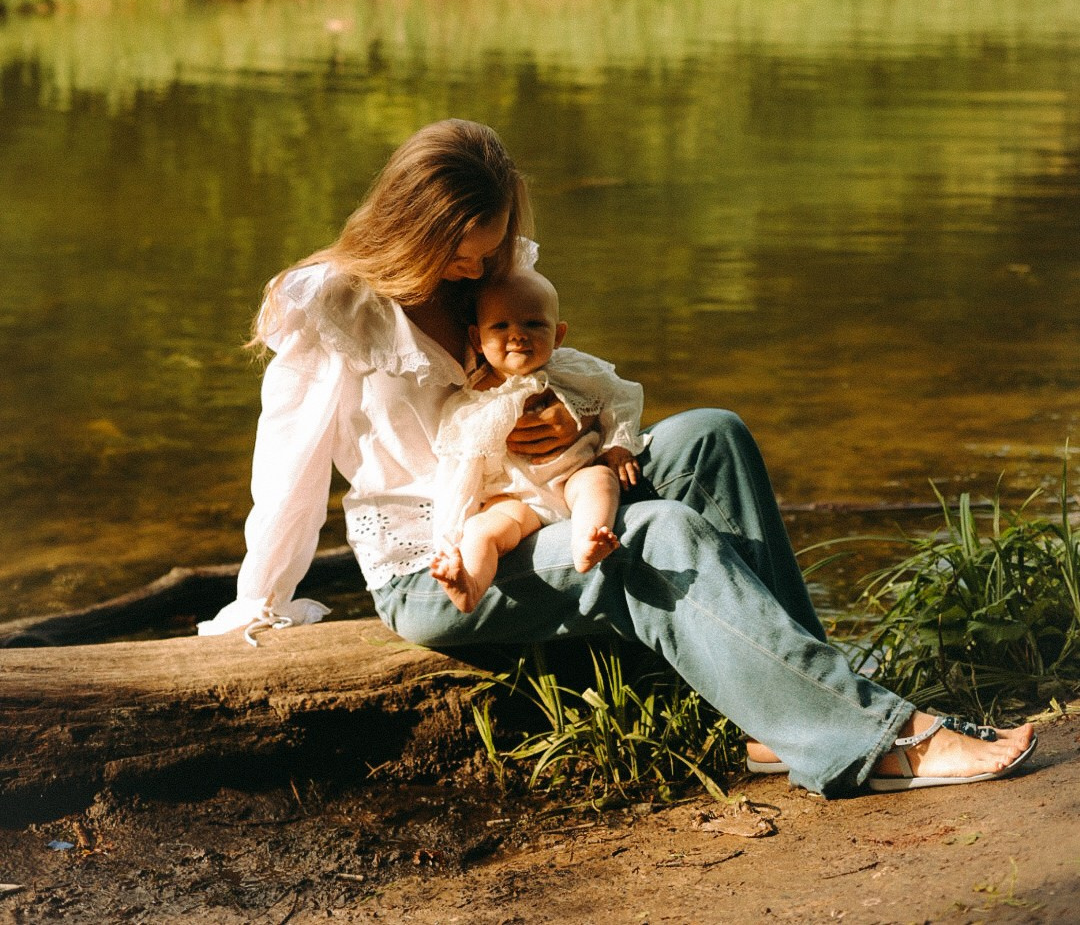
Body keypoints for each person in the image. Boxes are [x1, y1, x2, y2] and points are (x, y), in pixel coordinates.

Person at [198, 119, 1036, 797]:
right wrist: (257, 603)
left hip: (543, 498)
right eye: (461, 250)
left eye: (489, 248)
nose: (478, 267)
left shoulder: (484, 276)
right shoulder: (332, 310)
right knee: (657, 530)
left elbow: (555, 369)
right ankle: (877, 738)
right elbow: (288, 476)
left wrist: (563, 423)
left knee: (710, 434)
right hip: (444, 564)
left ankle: (786, 718)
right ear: (411, 225)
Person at [429, 267, 647, 611]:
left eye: (533, 324)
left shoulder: (574, 370)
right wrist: (448, 534)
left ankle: (587, 541)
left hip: (572, 477)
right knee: (483, 530)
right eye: (500, 326)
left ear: (558, 335)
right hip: (514, 498)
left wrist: (617, 444)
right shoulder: (472, 403)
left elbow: (621, 395)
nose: (517, 336)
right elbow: (458, 471)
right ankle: (469, 585)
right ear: (477, 339)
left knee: (599, 479)